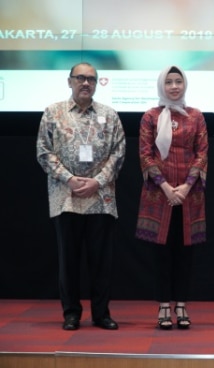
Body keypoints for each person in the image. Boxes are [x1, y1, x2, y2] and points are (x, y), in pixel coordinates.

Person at [36, 62, 126, 331]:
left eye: (91, 79)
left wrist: (97, 182)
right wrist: (70, 179)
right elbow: (43, 151)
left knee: (101, 262)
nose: (86, 83)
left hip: (101, 198)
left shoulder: (109, 115)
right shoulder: (53, 113)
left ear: (97, 83)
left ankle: (101, 314)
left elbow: (118, 152)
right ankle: (71, 313)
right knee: (69, 261)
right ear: (69, 81)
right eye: (80, 78)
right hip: (66, 196)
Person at [135, 65, 208, 330]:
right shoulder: (150, 116)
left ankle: (182, 304)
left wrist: (186, 187)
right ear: (161, 86)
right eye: (169, 82)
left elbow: (202, 153)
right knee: (162, 252)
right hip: (159, 194)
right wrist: (166, 187)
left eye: (179, 81)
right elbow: (145, 154)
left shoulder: (196, 116)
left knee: (184, 252)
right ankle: (164, 305)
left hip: (190, 196)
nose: (174, 86)